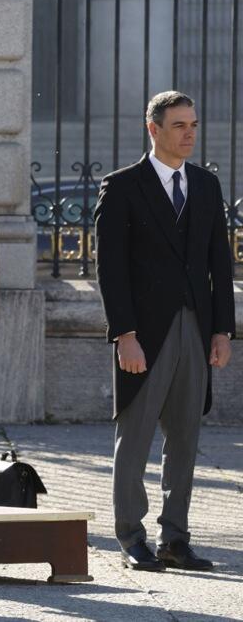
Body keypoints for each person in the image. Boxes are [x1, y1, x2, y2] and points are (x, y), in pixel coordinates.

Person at [95, 91, 235, 572]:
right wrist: (124, 334)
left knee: (185, 437)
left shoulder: (206, 185)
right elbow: (110, 269)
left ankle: (175, 538)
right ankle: (131, 537)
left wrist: (222, 331)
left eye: (193, 124)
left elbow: (220, 263)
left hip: (196, 328)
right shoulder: (121, 187)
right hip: (144, 333)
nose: (189, 133)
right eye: (179, 125)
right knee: (134, 437)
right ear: (153, 129)